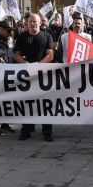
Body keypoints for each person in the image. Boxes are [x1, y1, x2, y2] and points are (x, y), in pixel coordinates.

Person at [13, 12, 55, 142]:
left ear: (40, 23)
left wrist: (38, 66)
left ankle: (47, 131)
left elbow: (50, 55)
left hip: (43, 76)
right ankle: (26, 130)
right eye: (30, 21)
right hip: (27, 76)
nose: (32, 24)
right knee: (27, 103)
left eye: (35, 21)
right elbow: (16, 54)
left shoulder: (47, 36)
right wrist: (25, 64)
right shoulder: (21, 37)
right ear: (27, 23)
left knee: (45, 104)